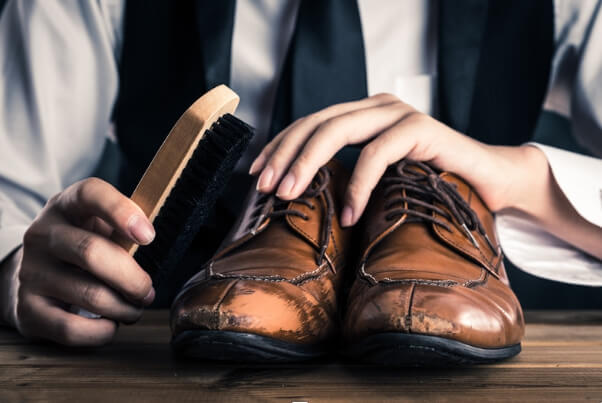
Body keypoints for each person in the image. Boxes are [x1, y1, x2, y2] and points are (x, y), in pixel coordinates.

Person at [0, 0, 601, 349]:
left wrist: (519, 177)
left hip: (451, 313)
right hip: (178, 330)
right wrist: (14, 270)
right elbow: (9, 190)